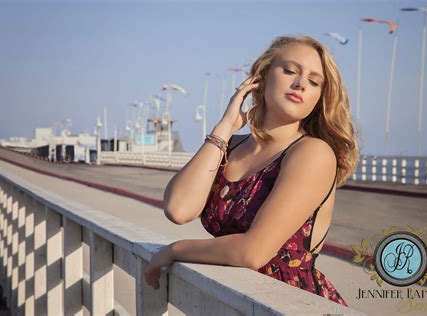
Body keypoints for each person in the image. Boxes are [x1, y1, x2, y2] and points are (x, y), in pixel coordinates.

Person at [145, 35, 360, 307]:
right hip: (235, 300)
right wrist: (225, 126)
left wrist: (174, 250)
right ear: (262, 77)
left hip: (290, 305)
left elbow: (253, 252)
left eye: (314, 81)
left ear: (319, 97)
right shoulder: (229, 146)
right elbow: (179, 209)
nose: (300, 83)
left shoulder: (311, 153)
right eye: (290, 70)